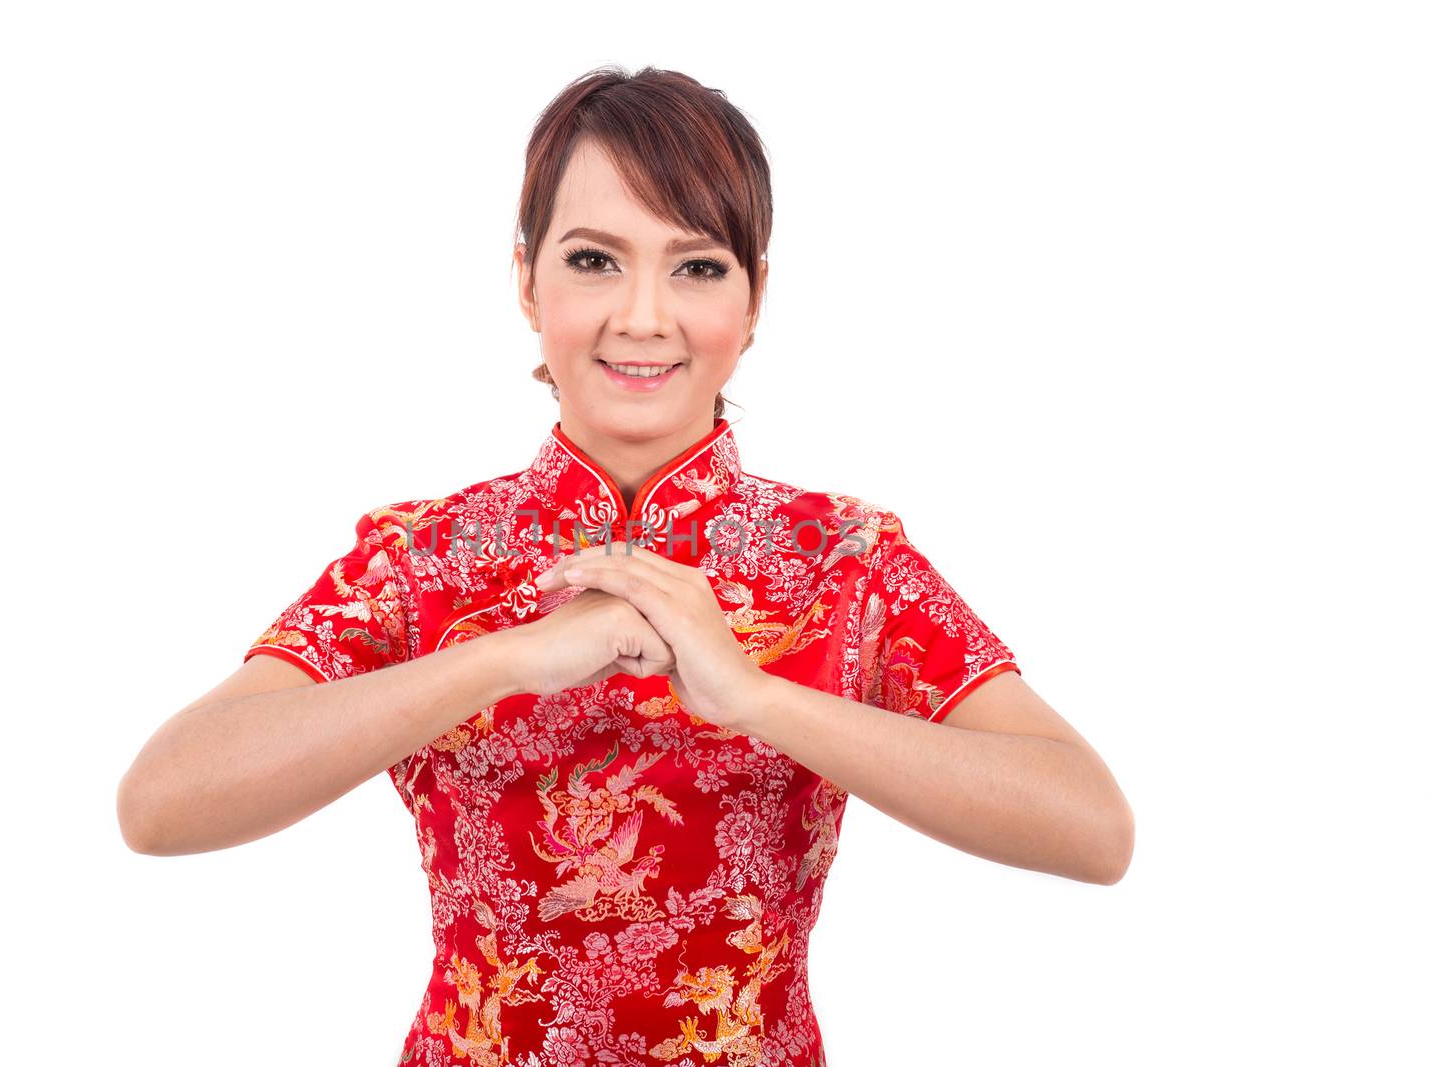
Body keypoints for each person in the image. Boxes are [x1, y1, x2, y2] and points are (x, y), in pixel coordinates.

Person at [118, 65, 1134, 1066]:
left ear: (755, 294)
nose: (643, 315)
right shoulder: (423, 557)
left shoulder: (843, 561)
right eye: (595, 260)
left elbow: (1091, 826)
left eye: (696, 266)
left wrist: (755, 695)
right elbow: (161, 801)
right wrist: (502, 658)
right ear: (525, 279)